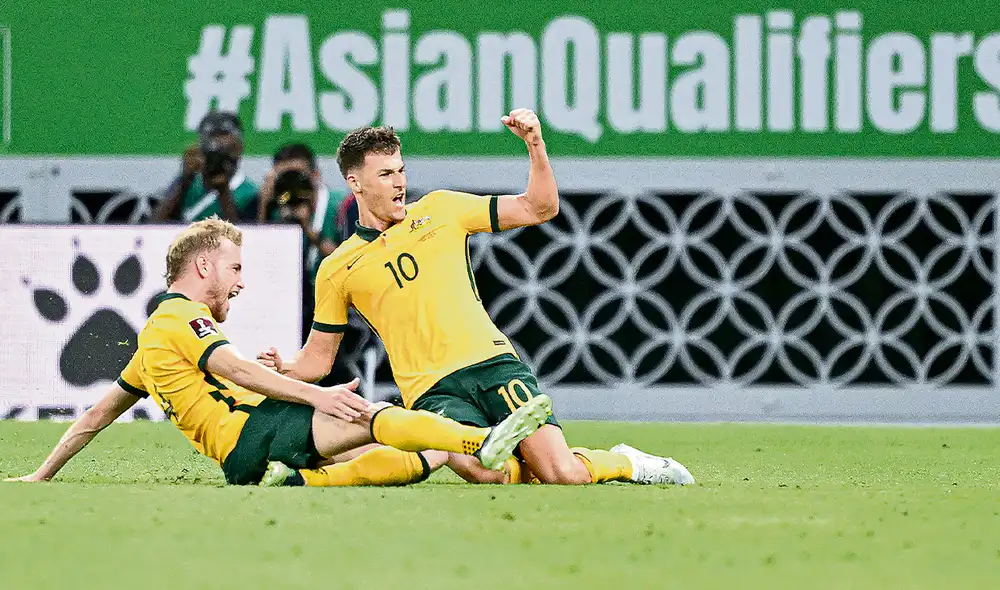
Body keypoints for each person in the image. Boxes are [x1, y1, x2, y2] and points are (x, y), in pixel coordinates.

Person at [257, 109, 695, 487]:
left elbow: (539, 208)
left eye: (401, 170)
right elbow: (319, 359)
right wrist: (286, 368)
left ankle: (628, 462)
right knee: (488, 471)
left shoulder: (442, 209)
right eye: (385, 174)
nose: (399, 183)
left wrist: (536, 145)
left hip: (490, 364)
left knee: (563, 475)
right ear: (354, 182)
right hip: (429, 391)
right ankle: (529, 457)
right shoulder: (337, 267)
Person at [5, 217, 552, 487]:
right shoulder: (180, 315)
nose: (240, 283)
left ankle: (464, 453)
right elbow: (232, 367)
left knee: (365, 455)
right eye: (235, 269)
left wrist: (41, 475)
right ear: (203, 268)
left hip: (249, 444)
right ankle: (481, 441)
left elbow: (96, 416)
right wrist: (319, 395)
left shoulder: (152, 341)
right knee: (371, 415)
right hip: (256, 433)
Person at [151, 112, 259, 223]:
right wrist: (184, 182)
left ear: (239, 148)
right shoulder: (187, 183)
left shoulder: (250, 194)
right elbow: (152, 227)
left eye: (223, 136)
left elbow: (244, 235)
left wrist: (223, 192)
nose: (216, 143)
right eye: (211, 136)